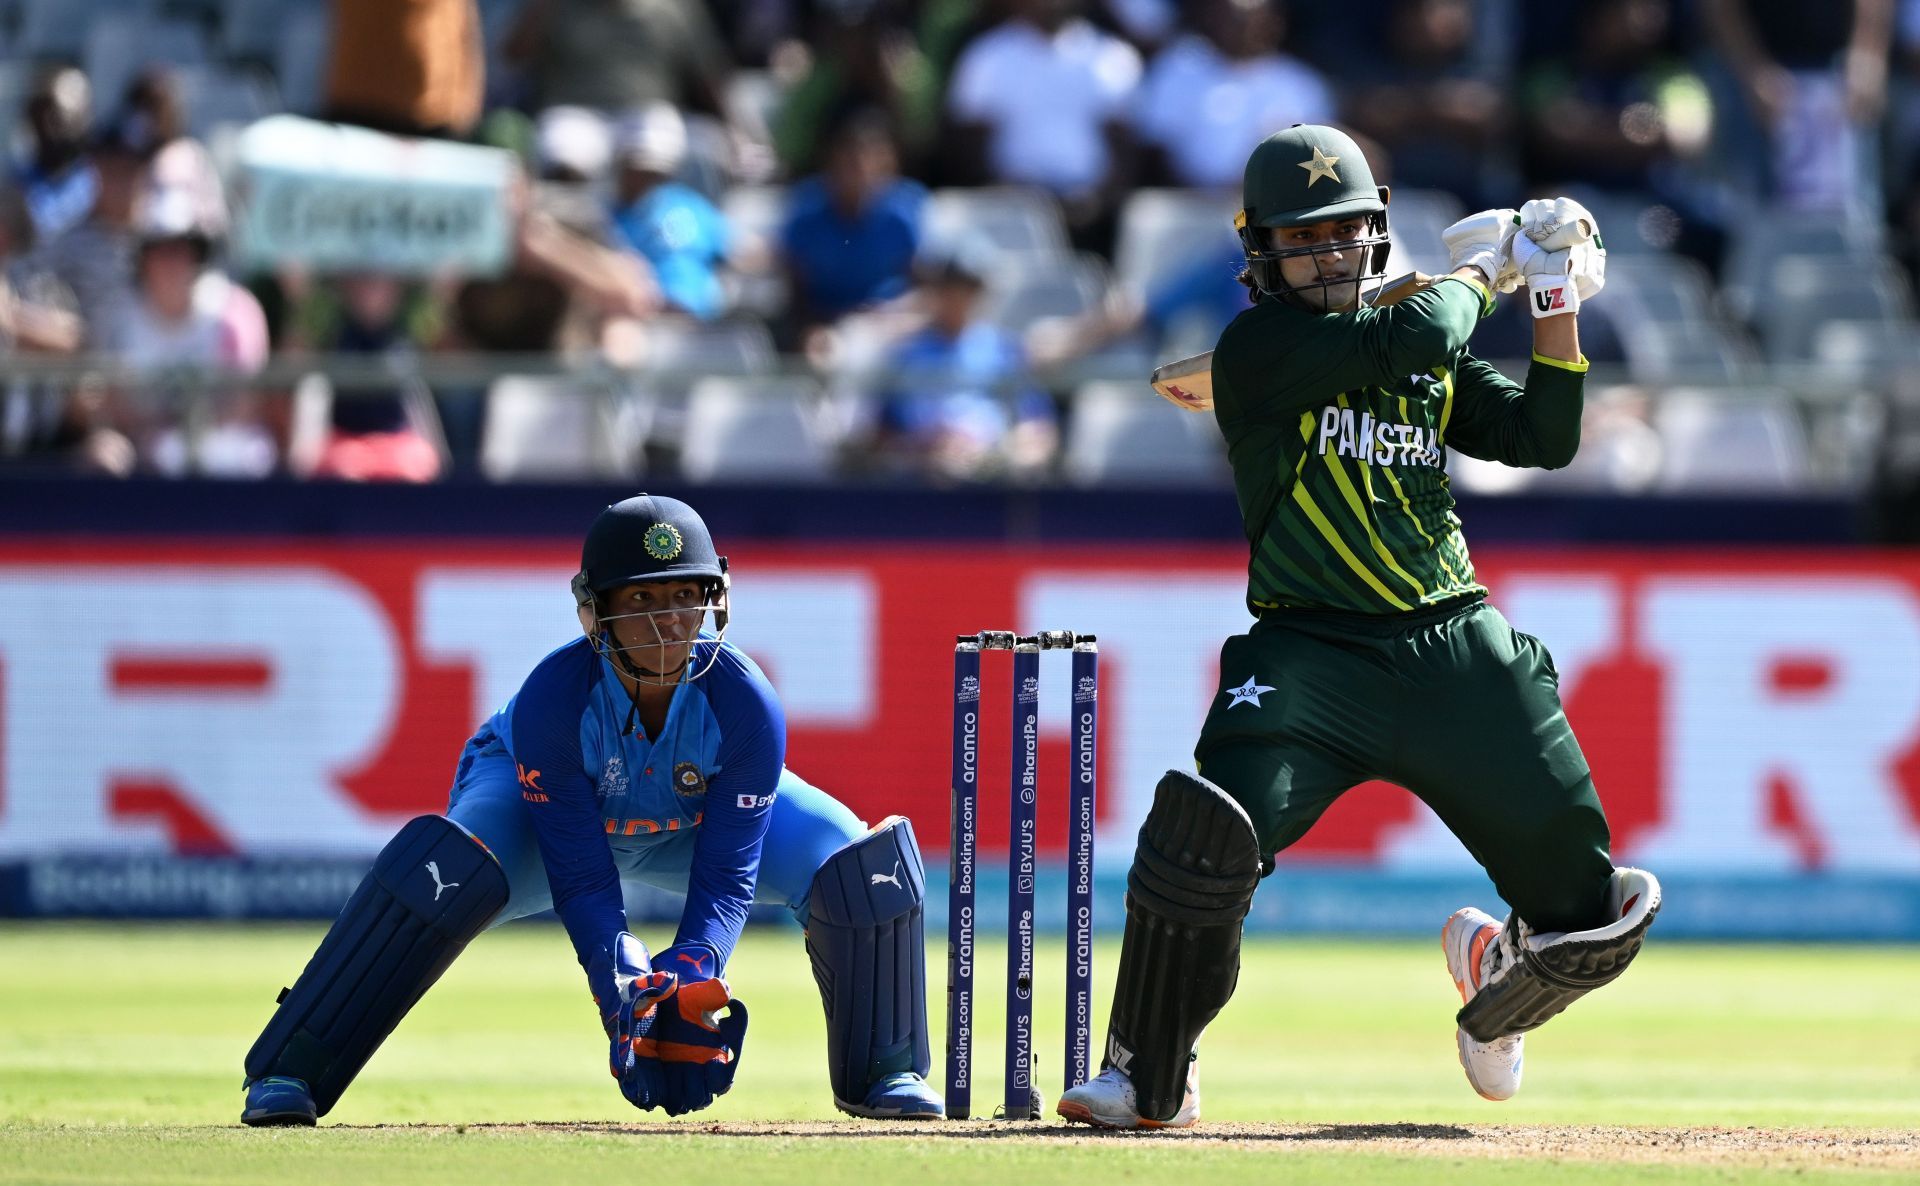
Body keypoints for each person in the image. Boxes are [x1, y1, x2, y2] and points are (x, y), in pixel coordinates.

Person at [1056, 124, 1662, 1129]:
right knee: (1206, 840)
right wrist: (1488, 271)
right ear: (1263, 256)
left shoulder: (1417, 331)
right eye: (1303, 242)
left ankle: (1496, 969)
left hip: (1452, 645)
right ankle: (1148, 1066)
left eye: (1346, 236)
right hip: (1309, 658)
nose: (1328, 257)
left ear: (1376, 237)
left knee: (1597, 918)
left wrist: (1555, 300)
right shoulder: (1262, 349)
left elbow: (1541, 438)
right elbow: (1415, 337)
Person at [240, 494, 943, 1124]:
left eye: (685, 597)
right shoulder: (554, 698)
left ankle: (888, 1071)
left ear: (714, 601)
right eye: (642, 602)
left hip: (690, 829)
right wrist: (623, 991)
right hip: (537, 823)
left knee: (855, 860)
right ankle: (293, 1066)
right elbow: (580, 878)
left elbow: (729, 874)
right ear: (594, 613)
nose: (670, 626)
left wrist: (694, 969)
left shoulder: (747, 702)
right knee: (445, 866)